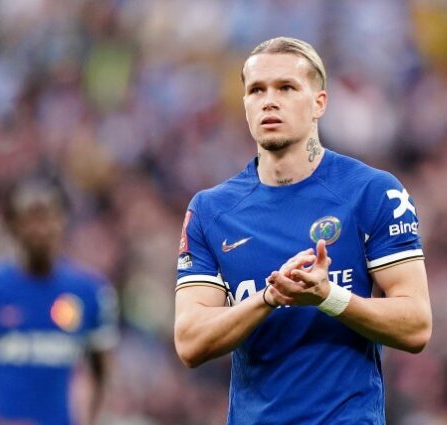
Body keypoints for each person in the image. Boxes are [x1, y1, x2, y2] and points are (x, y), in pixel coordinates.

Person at [174, 37, 432, 424]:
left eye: (286, 88)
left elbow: (416, 325)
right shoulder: (211, 211)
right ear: (245, 105)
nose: (269, 101)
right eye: (256, 90)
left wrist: (328, 297)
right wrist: (269, 297)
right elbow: (190, 341)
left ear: (319, 103)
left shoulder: (373, 192)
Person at [0, 181, 118, 425]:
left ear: (63, 222)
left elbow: (101, 373)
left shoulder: (91, 293)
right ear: (10, 226)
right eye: (31, 219)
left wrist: (89, 419)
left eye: (49, 217)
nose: (40, 229)